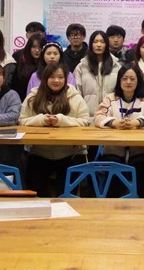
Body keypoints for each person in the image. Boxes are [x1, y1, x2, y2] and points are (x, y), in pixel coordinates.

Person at [20, 61, 89, 197]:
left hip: (70, 153)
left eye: (60, 77)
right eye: (52, 77)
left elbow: (85, 121)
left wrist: (61, 120)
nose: (56, 81)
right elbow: (22, 121)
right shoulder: (33, 96)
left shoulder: (75, 97)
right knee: (37, 192)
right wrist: (41, 120)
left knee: (68, 195)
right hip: (40, 152)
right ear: (45, 78)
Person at [94, 64, 144, 198]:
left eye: (132, 79)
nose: (128, 82)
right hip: (114, 147)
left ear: (138, 81)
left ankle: (143, 202)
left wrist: (137, 123)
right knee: (113, 166)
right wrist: (114, 123)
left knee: (142, 165)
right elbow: (98, 117)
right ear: (119, 81)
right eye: (124, 78)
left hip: (138, 147)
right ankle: (112, 203)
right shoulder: (110, 98)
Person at [74, 30, 121, 119]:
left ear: (107, 44)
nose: (99, 45)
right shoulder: (81, 67)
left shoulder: (116, 66)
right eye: (95, 42)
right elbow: (77, 92)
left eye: (102, 42)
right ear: (91, 44)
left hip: (111, 116)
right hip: (88, 116)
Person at [12, 33, 46, 102]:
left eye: (40, 47)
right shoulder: (19, 58)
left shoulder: (46, 63)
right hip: (20, 100)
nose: (37, 50)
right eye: (34, 47)